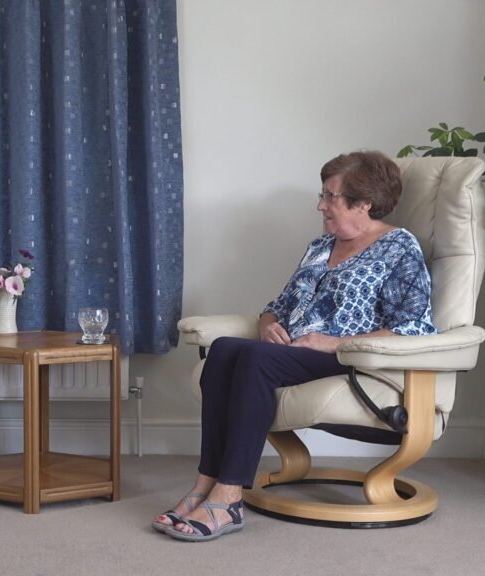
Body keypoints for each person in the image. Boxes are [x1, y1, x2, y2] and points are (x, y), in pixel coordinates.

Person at [154, 150, 436, 542]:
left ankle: (229, 497)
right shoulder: (320, 246)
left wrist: (332, 342)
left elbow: (415, 327)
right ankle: (205, 484)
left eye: (331, 196)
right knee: (223, 349)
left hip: (349, 357)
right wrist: (268, 325)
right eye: (323, 195)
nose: (321, 205)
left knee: (253, 359)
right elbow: (279, 306)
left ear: (365, 203)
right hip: (294, 351)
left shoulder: (399, 247)